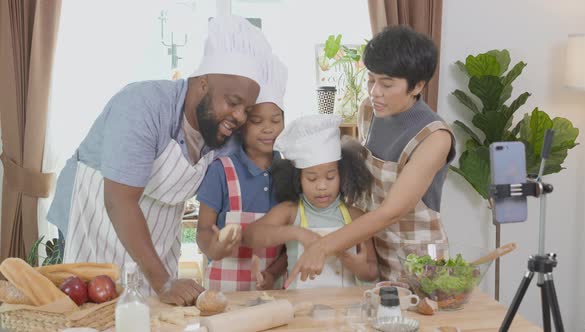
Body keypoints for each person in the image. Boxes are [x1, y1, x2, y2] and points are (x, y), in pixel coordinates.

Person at [46, 16, 273, 305]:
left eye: (247, 108)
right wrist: (163, 281)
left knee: (152, 314)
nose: (240, 116)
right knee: (92, 312)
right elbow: (119, 200)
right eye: (232, 102)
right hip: (97, 219)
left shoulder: (224, 134)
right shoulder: (143, 105)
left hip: (158, 233)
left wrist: (214, 244)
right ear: (202, 83)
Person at [285, 25, 456, 288]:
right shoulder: (370, 111)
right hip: (375, 256)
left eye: (386, 84)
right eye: (371, 79)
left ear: (417, 85)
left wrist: (322, 247)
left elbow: (391, 211)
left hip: (421, 266)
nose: (374, 91)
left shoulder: (434, 137)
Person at [242, 114, 378, 289]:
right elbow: (250, 236)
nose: (321, 186)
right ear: (298, 179)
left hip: (345, 310)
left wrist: (359, 268)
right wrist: (298, 233)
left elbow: (373, 271)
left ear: (342, 175)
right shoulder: (290, 212)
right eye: (312, 179)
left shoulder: (356, 216)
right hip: (299, 309)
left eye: (330, 177)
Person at [196, 55, 288, 291]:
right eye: (257, 121)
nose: (268, 129)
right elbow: (204, 230)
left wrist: (272, 274)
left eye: (275, 120)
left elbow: (290, 245)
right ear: (243, 123)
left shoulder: (289, 173)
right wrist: (214, 248)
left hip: (271, 294)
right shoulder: (222, 171)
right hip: (223, 296)